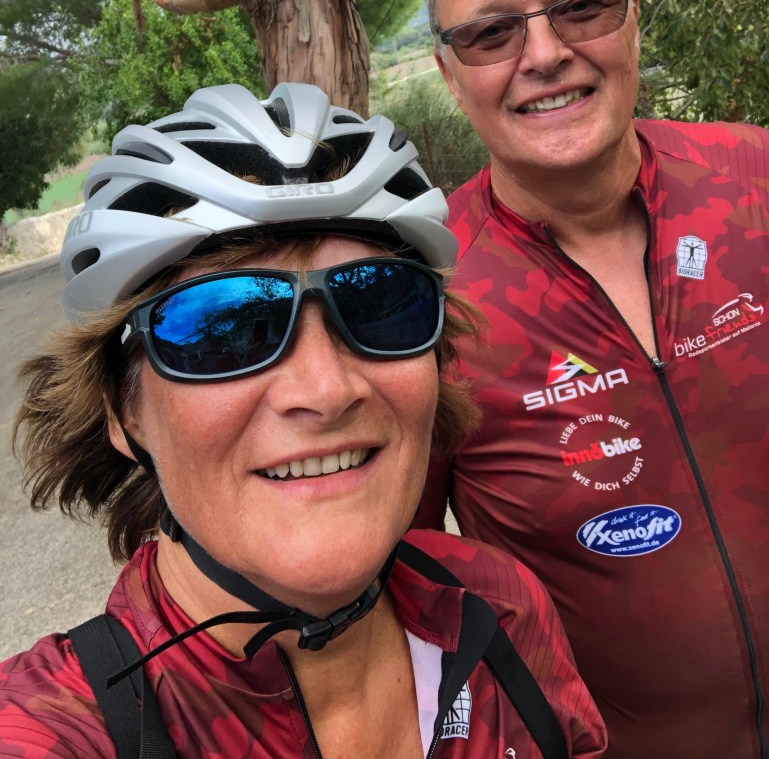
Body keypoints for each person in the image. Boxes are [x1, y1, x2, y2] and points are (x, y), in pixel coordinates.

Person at [0, 82, 607, 759]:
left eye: (380, 304)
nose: (326, 389)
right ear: (123, 411)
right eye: (227, 327)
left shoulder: (496, 604)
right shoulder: (52, 729)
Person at [416, 0, 769, 759]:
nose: (543, 53)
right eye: (491, 32)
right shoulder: (425, 295)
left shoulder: (756, 183)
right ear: (450, 72)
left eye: (581, 7)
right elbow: (398, 578)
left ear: (632, 16)